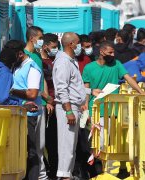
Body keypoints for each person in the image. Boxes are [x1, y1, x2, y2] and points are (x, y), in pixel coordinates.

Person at [82, 41, 145, 179]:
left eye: (113, 52)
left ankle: (121, 168)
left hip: (116, 109)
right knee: (99, 143)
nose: (113, 55)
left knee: (119, 140)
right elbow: (86, 89)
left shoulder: (116, 64)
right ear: (101, 52)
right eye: (110, 52)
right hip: (97, 110)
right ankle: (97, 172)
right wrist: (86, 107)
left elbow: (128, 78)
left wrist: (141, 92)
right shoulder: (89, 68)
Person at [53, 32, 101, 179]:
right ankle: (64, 174)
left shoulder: (70, 60)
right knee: (66, 144)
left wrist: (90, 91)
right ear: (71, 44)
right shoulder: (63, 62)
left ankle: (68, 173)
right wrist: (68, 111)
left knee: (71, 145)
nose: (80, 45)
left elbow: (74, 86)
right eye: (78, 42)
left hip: (74, 106)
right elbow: (62, 88)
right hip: (68, 107)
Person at [9, 40, 43, 180]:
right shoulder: (17, 66)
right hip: (19, 112)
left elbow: (32, 94)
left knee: (31, 151)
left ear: (20, 54)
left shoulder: (32, 68)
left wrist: (12, 91)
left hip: (29, 114)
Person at [24, 25, 50, 180]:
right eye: (40, 38)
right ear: (31, 38)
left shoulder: (38, 56)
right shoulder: (23, 56)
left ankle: (41, 174)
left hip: (40, 104)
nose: (42, 41)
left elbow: (42, 81)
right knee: (31, 144)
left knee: (40, 143)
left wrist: (46, 99)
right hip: (28, 105)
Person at [41, 33, 59, 179]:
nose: (55, 49)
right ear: (45, 46)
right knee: (45, 141)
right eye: (53, 47)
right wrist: (48, 100)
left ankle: (53, 171)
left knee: (53, 141)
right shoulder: (39, 61)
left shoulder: (55, 60)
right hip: (48, 104)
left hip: (56, 104)